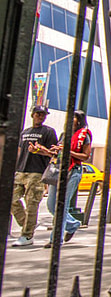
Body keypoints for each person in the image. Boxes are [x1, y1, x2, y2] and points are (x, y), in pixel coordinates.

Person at [10, 105, 59, 247]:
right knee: (11, 199)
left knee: (32, 203)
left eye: (43, 114)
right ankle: (28, 223)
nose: (40, 116)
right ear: (32, 115)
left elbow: (53, 153)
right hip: (21, 171)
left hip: (37, 172)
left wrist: (40, 150)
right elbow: (20, 151)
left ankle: (27, 235)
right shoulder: (25, 132)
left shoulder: (49, 132)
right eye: (38, 114)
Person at [45, 110, 92, 247]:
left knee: (62, 205)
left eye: (74, 118)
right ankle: (72, 224)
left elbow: (85, 156)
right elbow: (57, 153)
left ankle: (55, 239)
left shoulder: (84, 135)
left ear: (79, 120)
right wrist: (45, 151)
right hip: (58, 170)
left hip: (73, 171)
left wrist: (68, 151)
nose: (71, 120)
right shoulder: (64, 135)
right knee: (51, 204)